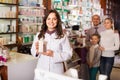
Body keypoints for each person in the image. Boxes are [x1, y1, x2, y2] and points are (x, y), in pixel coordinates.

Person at [31, 9, 73, 74]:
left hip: (56, 71)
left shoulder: (62, 36)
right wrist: (36, 51)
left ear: (57, 21)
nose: (51, 21)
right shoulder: (39, 35)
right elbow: (33, 51)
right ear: (45, 20)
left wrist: (53, 54)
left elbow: (68, 54)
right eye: (49, 19)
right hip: (42, 69)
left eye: (54, 19)